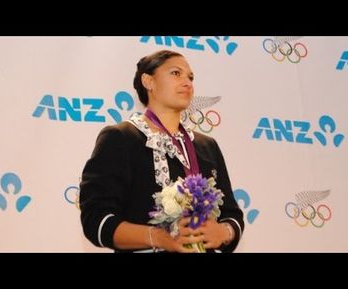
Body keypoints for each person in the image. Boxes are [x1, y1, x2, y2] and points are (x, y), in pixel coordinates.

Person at [79, 50, 244, 253]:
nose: (187, 83)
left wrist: (224, 232)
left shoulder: (207, 145)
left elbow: (232, 215)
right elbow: (96, 220)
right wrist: (160, 238)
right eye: (176, 73)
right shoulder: (121, 138)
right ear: (148, 81)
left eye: (190, 77)